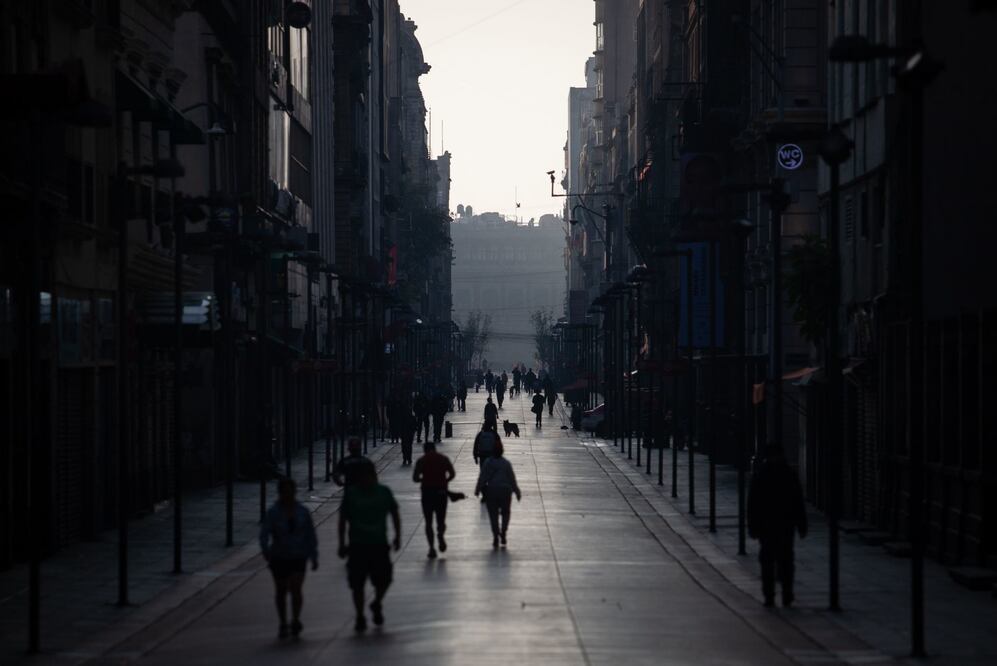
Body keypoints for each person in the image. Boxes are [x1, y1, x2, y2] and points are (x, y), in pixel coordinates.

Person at [338, 467, 401, 632]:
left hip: (379, 544)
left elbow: (394, 513)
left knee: (385, 579)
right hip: (357, 545)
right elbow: (342, 519)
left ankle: (377, 602)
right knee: (357, 584)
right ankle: (359, 615)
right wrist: (342, 543)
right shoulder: (351, 494)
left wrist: (398, 536)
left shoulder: (383, 492)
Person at [747, 443, 808, 608]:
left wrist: (752, 526)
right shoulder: (787, 474)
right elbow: (797, 501)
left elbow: (753, 503)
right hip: (782, 525)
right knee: (782, 560)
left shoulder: (762, 475)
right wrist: (801, 524)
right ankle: (781, 594)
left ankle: (774, 594)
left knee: (774, 560)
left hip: (771, 525)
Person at [259, 478, 318, 639]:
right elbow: (264, 533)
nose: (288, 495)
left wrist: (313, 555)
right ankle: (283, 621)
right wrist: (265, 550)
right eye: (284, 491)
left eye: (290, 491)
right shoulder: (273, 512)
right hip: (279, 556)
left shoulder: (302, 511)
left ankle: (296, 619)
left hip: (299, 555)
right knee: (281, 590)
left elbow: (310, 534)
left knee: (296, 588)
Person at [412, 441, 456, 559]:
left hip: (427, 493)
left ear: (425, 450)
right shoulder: (443, 459)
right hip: (441, 492)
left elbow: (415, 478)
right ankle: (440, 534)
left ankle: (431, 548)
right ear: (435, 448)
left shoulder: (422, 460)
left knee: (428, 522)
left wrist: (424, 479)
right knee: (440, 519)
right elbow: (452, 474)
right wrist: (444, 481)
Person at [475, 440, 521, 549]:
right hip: (505, 491)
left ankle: (496, 535)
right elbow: (512, 479)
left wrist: (478, 489)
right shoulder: (506, 463)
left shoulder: (488, 463)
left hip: (492, 490)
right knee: (505, 512)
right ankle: (503, 531)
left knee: (493, 514)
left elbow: (483, 477)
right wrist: (517, 491)